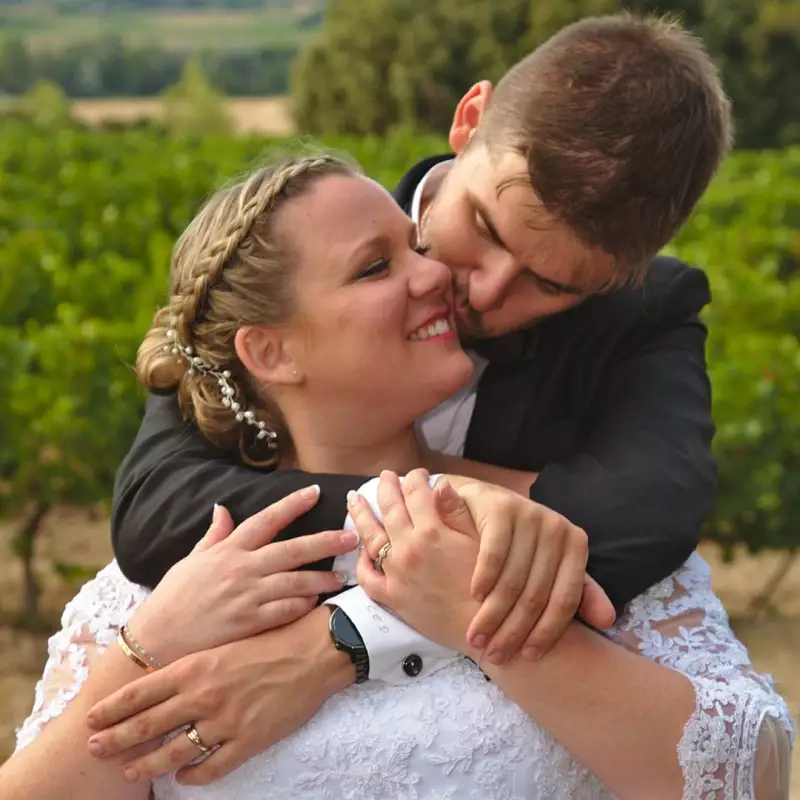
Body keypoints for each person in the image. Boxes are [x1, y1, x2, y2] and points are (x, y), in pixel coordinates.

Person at [4, 154, 793, 800]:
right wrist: (148, 647)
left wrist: (480, 619)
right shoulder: (173, 578)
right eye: (375, 267)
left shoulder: (560, 528)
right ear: (271, 353)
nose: (434, 277)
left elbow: (751, 779)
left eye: (415, 246)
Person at [103, 13, 731, 777]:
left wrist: (343, 639)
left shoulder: (644, 315)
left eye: (553, 283)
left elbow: (639, 519)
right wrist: (450, 502)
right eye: (487, 231)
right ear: (469, 120)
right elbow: (159, 506)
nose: (485, 293)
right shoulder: (291, 250)